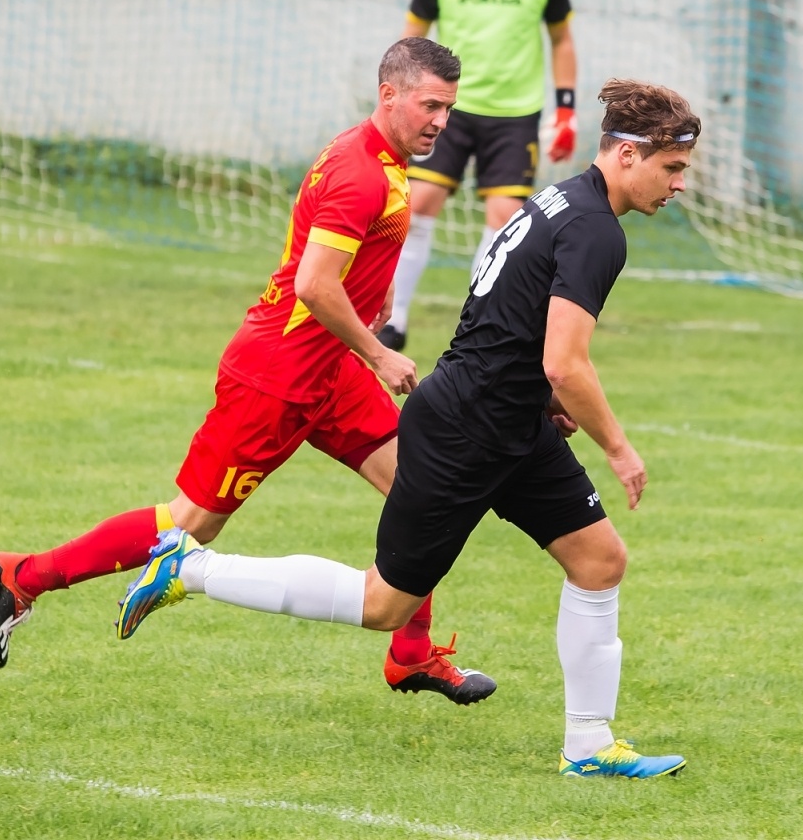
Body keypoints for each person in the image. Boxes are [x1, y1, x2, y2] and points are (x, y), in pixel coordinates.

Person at [118, 79, 701, 779]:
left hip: (507, 417)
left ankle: (588, 744)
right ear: (630, 155)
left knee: (600, 560)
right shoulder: (595, 230)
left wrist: (536, 396)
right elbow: (565, 359)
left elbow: (505, 318)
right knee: (382, 603)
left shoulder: (560, 200)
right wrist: (618, 445)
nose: (680, 185)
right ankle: (190, 567)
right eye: (672, 168)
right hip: (467, 430)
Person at [0, 38, 497, 706]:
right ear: (389, 94)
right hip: (276, 376)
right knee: (187, 526)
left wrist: (377, 297)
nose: (440, 122)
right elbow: (314, 283)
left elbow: (344, 255)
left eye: (449, 110)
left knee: (426, 490)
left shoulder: (380, 158)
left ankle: (412, 655)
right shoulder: (363, 172)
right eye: (431, 105)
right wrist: (379, 350)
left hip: (327, 372)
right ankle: (23, 574)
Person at [376, 0, 577, 352]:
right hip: (449, 107)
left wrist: (566, 112)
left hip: (515, 113)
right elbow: (414, 35)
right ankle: (394, 321)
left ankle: (475, 329)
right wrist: (400, 100)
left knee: (505, 222)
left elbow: (561, 39)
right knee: (418, 205)